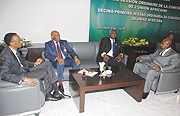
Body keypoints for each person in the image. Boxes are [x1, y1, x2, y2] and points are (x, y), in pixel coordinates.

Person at [0, 33, 69, 101]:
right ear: (11, 43)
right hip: (21, 74)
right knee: (46, 71)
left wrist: (34, 64)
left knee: (47, 64)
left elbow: (23, 63)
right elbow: (3, 75)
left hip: (26, 70)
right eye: (19, 41)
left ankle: (54, 92)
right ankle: (52, 93)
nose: (21, 42)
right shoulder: (5, 55)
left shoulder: (15, 50)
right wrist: (23, 79)